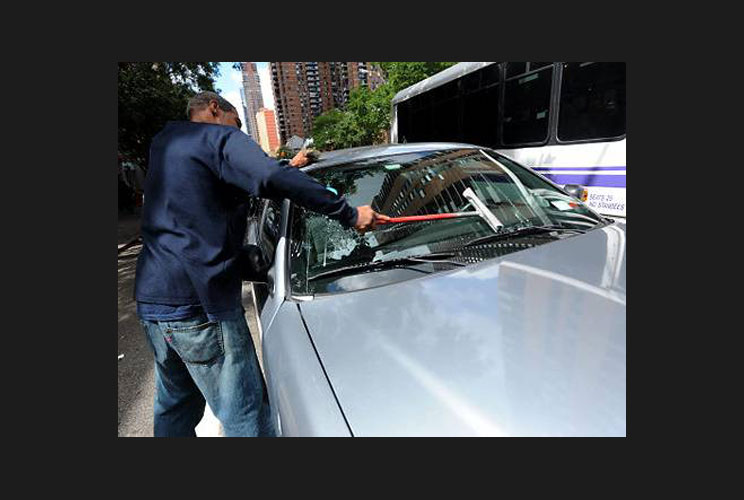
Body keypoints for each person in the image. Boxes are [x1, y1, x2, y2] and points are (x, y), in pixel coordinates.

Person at [135, 91, 388, 437]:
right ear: (214, 109)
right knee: (247, 419)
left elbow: (214, 194)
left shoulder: (167, 143)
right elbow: (267, 176)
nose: (239, 134)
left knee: (176, 408)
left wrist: (289, 166)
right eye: (238, 125)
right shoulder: (219, 137)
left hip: (155, 304)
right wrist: (348, 212)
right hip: (201, 307)